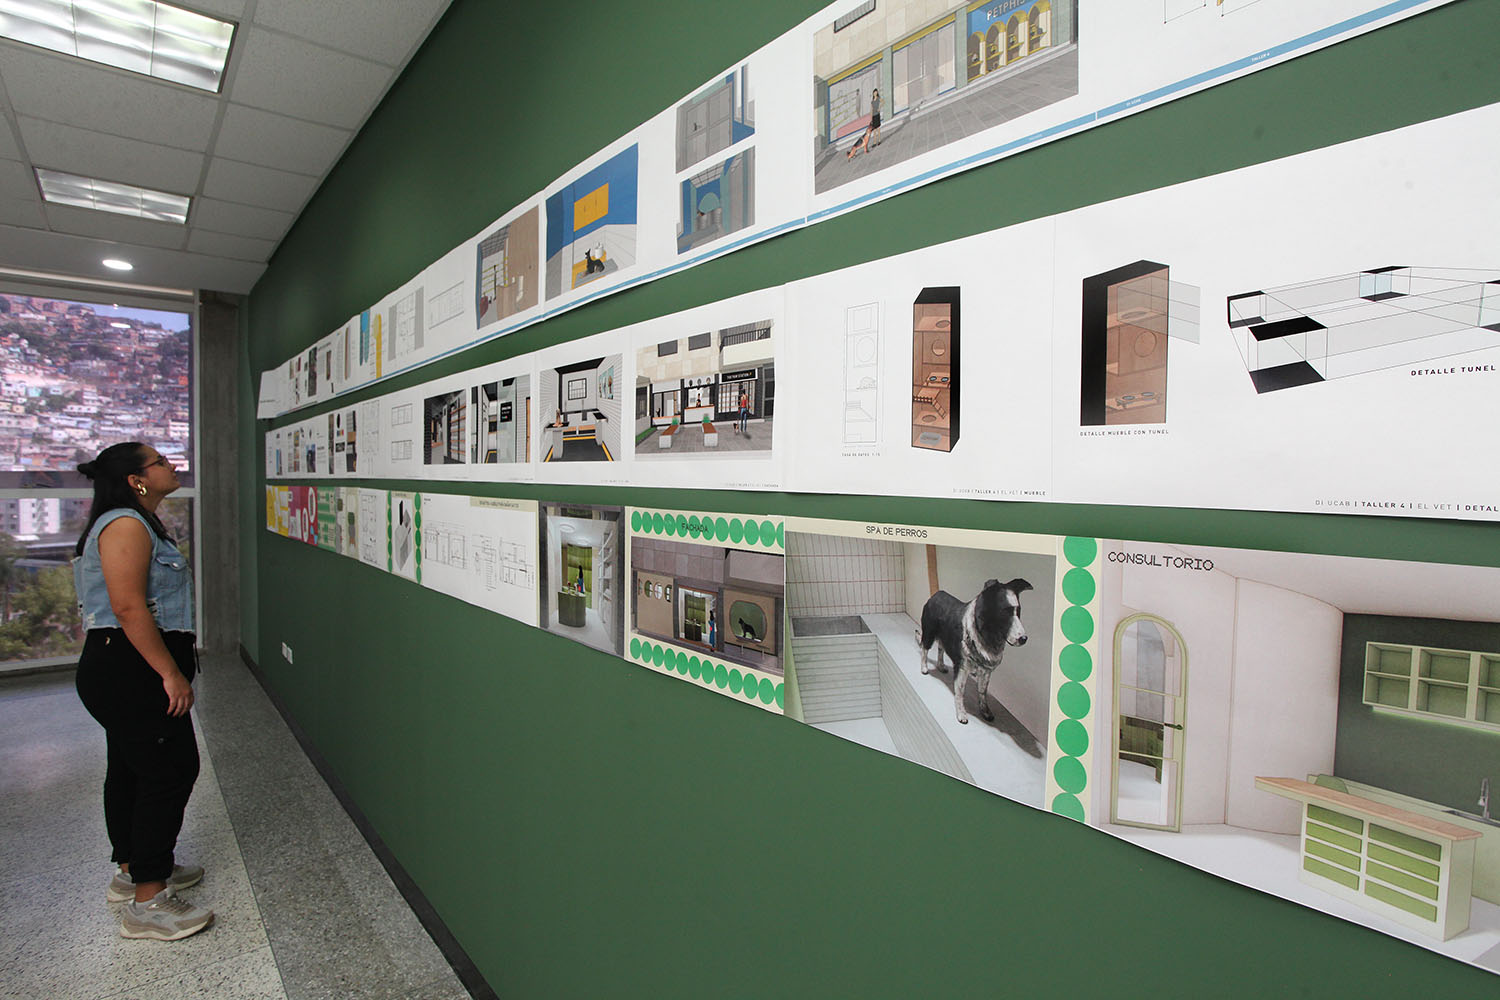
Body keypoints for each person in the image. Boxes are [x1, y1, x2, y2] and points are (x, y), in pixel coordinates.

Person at [73, 443, 213, 941]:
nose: (171, 466)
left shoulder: (137, 522)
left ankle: (133, 869)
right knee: (170, 770)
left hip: (124, 667)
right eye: (160, 462)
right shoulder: (126, 525)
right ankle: (149, 901)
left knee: (132, 767)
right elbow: (129, 608)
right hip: (130, 670)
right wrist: (169, 674)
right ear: (136, 479)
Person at [846, 87, 882, 159]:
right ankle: (850, 156)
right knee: (859, 146)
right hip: (874, 115)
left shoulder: (878, 99)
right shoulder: (872, 100)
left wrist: (879, 108)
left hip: (876, 114)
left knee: (877, 128)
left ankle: (878, 141)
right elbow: (865, 144)